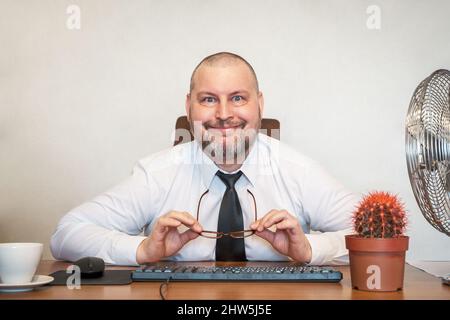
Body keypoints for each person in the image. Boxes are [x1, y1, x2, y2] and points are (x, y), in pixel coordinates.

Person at [50, 52, 359, 266]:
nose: (224, 115)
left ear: (260, 104)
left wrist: (308, 249)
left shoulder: (299, 171)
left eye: (238, 98)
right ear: (189, 107)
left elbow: (378, 234)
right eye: (209, 99)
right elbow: (68, 233)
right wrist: (143, 250)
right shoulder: (157, 173)